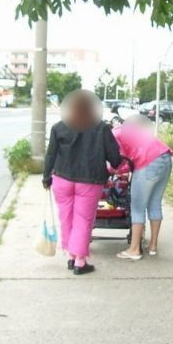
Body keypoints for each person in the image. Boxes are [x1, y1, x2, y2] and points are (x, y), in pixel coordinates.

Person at [43, 89, 122, 275]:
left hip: (62, 179)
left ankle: (70, 256)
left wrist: (46, 177)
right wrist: (115, 164)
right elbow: (115, 157)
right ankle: (79, 261)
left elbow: (51, 155)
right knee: (83, 220)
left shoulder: (59, 127)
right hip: (89, 180)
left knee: (66, 217)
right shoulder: (101, 128)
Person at [112, 115, 172, 260]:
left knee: (137, 207)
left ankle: (134, 250)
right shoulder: (130, 131)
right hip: (165, 158)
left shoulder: (113, 135)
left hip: (148, 161)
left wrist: (113, 171)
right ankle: (153, 246)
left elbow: (121, 161)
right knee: (155, 204)